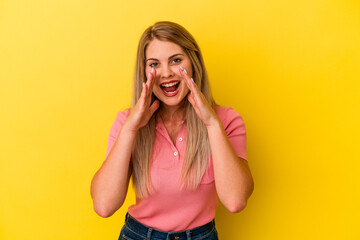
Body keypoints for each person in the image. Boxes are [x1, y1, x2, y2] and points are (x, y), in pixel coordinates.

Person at [90, 21, 254, 240]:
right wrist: (130, 129)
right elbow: (103, 206)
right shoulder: (126, 123)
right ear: (144, 72)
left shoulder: (225, 120)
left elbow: (235, 201)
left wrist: (212, 125)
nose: (165, 73)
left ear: (193, 63)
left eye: (176, 60)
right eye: (154, 64)